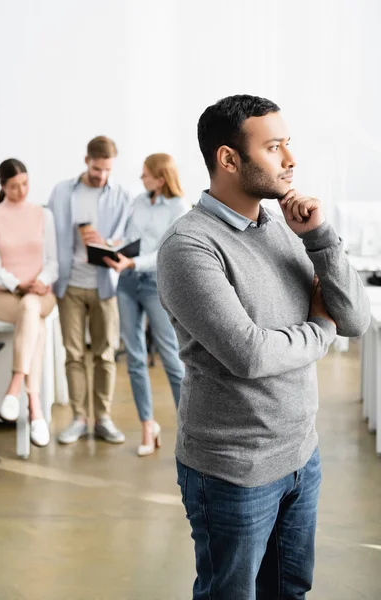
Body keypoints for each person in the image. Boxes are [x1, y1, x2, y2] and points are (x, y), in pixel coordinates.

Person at [157, 95, 370, 599]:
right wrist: (320, 329)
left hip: (302, 454)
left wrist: (318, 236)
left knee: (289, 589)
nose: (290, 160)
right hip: (234, 469)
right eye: (274, 148)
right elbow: (250, 355)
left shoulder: (283, 227)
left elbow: (356, 321)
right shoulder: (190, 246)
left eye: (288, 145)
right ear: (229, 159)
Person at [48, 136, 131, 445]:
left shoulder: (121, 195)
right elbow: (49, 233)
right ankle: (79, 418)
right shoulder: (62, 192)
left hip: (104, 284)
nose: (102, 176)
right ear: (86, 161)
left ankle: (103, 419)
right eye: (97, 169)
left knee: (105, 355)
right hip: (69, 284)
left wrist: (108, 243)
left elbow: (128, 238)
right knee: (73, 354)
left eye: (107, 170)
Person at [104, 153, 189, 456]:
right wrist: (111, 246)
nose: (141, 179)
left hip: (155, 284)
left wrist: (133, 263)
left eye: (145, 174)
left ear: (160, 178)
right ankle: (147, 426)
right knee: (135, 359)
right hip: (127, 283)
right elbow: (128, 236)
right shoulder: (138, 202)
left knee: (171, 359)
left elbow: (168, 250)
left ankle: (190, 432)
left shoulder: (179, 207)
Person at [0, 158, 58, 447]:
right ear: (3, 187)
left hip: (41, 295)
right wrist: (18, 284)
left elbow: (53, 262)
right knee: (31, 317)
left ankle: (14, 389)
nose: (21, 191)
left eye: (25, 183)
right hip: (6, 298)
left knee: (32, 307)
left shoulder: (43, 215)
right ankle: (35, 408)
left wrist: (41, 280)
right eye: (14, 187)